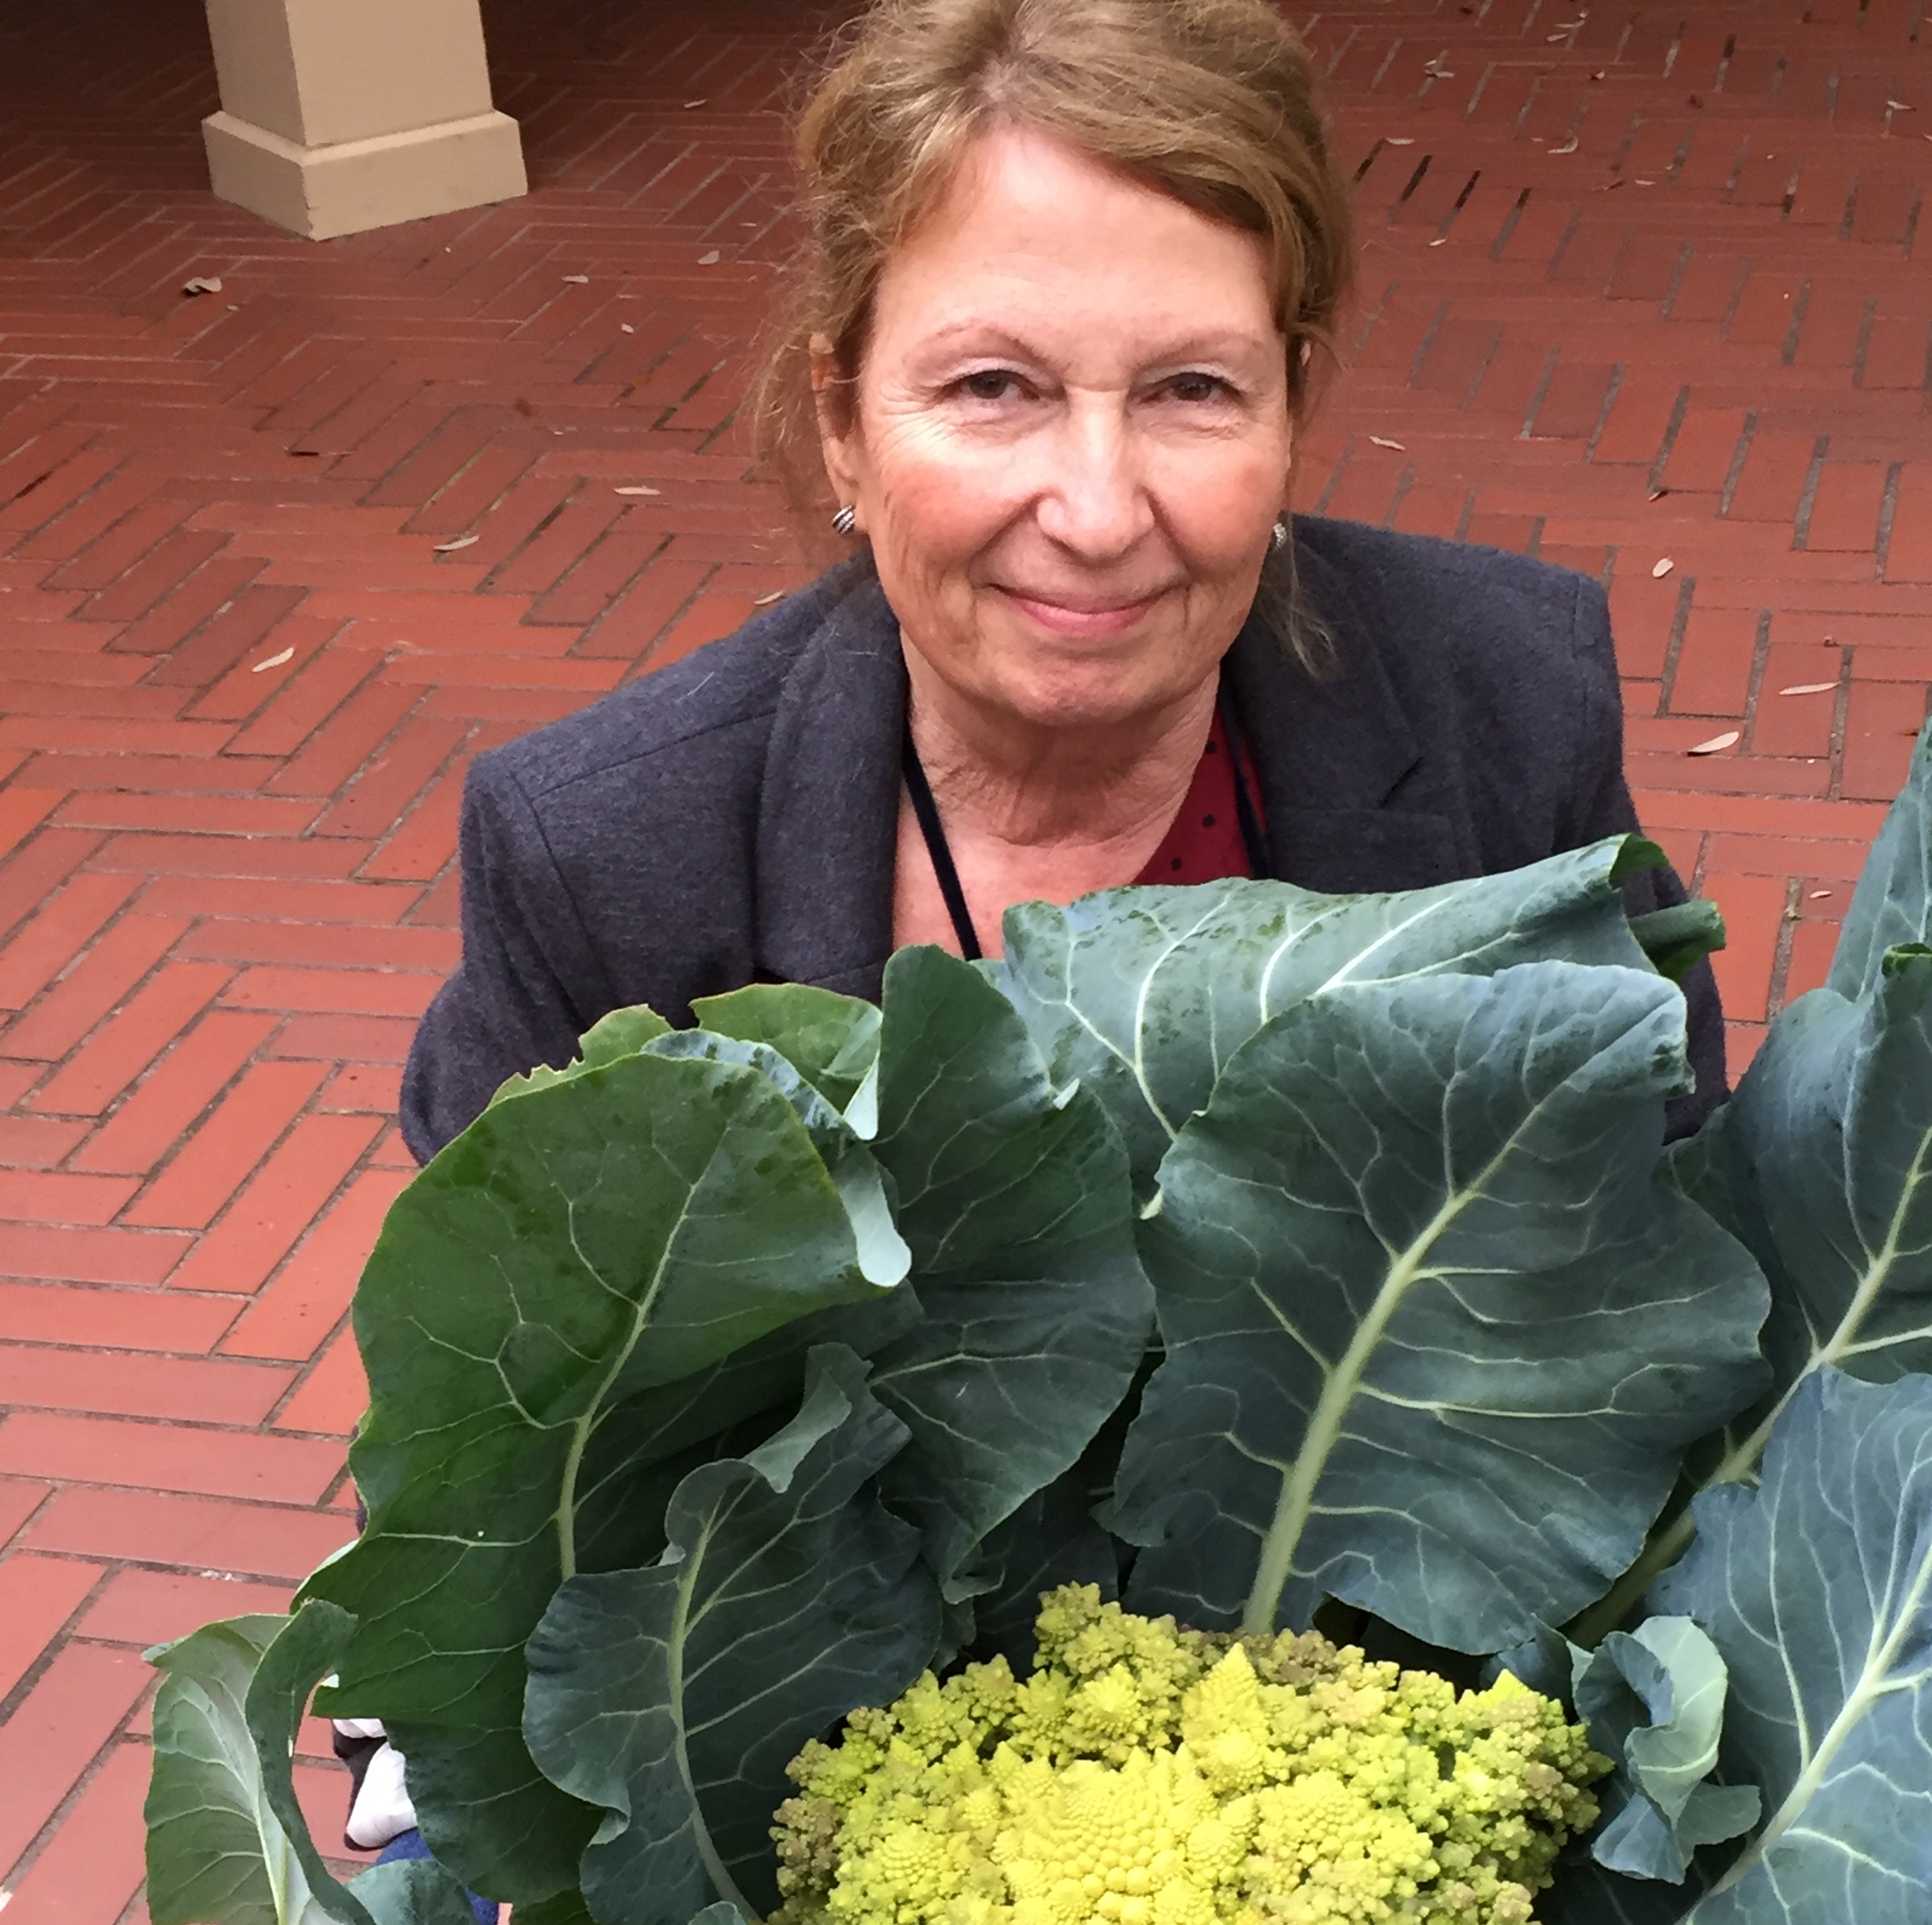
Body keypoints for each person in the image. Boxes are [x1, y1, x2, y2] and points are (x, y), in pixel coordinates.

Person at [398, 0, 1726, 1171]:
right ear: (841, 418)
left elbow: (1655, 1249)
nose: (1096, 513)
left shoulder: (1506, 712)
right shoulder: (604, 862)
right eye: (993, 386)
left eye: (1191, 388)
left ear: (1293, 406)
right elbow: (534, 1405)